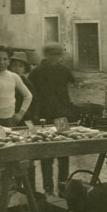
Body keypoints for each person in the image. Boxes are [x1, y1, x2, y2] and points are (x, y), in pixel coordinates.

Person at [29, 42, 75, 196]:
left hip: (61, 115)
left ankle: (63, 186)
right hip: (44, 116)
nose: (54, 58)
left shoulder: (63, 71)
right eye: (51, 54)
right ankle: (48, 187)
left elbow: (69, 89)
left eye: (57, 55)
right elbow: (32, 94)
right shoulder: (37, 72)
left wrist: (68, 109)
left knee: (63, 150)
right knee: (46, 152)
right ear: (45, 55)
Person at [8, 51, 38, 122]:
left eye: (20, 66)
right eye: (14, 65)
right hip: (8, 115)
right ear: (10, 67)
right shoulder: (6, 81)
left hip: (24, 116)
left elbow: (34, 102)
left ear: (25, 69)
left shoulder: (28, 84)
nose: (17, 68)